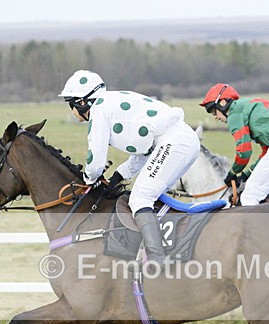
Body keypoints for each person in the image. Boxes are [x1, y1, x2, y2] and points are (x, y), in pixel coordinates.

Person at [60, 69, 200, 264]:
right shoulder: (111, 102)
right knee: (152, 196)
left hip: (174, 142)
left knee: (141, 198)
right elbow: (145, 150)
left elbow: (96, 157)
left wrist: (90, 179)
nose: (72, 111)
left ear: (82, 102)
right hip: (183, 139)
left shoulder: (99, 110)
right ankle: (172, 244)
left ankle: (156, 257)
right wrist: (118, 176)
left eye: (70, 104)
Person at [199, 83, 269, 206]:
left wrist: (233, 173)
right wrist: (246, 175)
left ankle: (251, 226)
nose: (215, 117)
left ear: (223, 103)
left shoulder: (234, 114)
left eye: (214, 111)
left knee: (250, 195)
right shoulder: (247, 106)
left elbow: (244, 151)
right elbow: (267, 152)